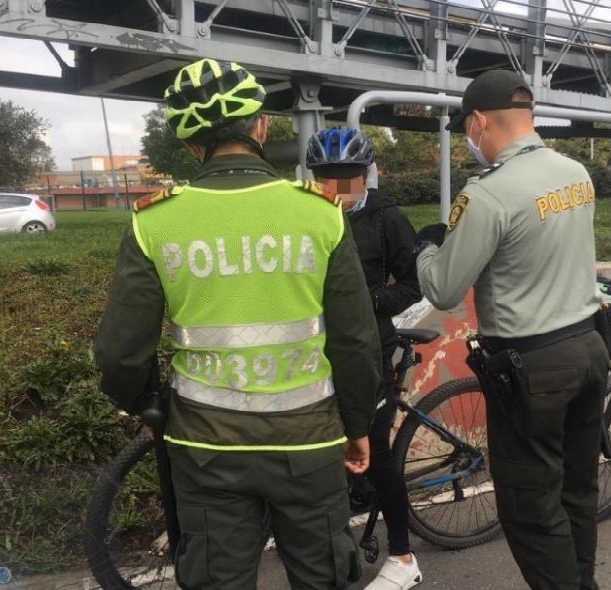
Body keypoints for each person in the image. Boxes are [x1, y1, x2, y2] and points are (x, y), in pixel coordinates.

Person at [93, 59, 382, 590]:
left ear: (188, 144)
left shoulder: (154, 222)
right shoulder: (320, 214)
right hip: (309, 440)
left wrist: (150, 407)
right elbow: (356, 341)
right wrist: (357, 425)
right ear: (261, 127)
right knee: (325, 578)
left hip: (205, 449)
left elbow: (119, 355)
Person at [415, 69, 609, 590]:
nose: (469, 140)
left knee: (529, 505)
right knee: (577, 489)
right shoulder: (575, 173)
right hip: (590, 348)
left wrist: (426, 250)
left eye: (466, 130)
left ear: (479, 121)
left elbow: (444, 289)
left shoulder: (489, 195)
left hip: (533, 367)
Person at [305, 127, 424, 590]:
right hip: (319, 350)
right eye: (325, 177)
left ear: (365, 176)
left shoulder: (386, 218)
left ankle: (403, 556)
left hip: (372, 349)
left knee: (374, 452)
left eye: (347, 178)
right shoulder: (307, 215)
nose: (334, 188)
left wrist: (364, 300)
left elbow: (413, 285)